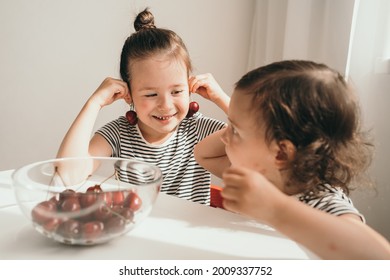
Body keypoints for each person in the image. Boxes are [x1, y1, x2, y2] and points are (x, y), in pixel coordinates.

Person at [194, 60, 390, 259]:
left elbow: (380, 257)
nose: (224, 136)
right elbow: (203, 154)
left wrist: (274, 208)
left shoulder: (318, 198)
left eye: (234, 130)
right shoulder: (264, 175)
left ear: (281, 153)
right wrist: (235, 115)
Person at [56, 8, 229, 205]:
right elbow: (68, 175)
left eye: (177, 92)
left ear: (190, 87)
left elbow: (258, 142)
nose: (166, 105)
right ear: (128, 94)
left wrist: (221, 98)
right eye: (151, 94)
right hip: (133, 230)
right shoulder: (119, 133)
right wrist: (93, 103)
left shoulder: (198, 129)